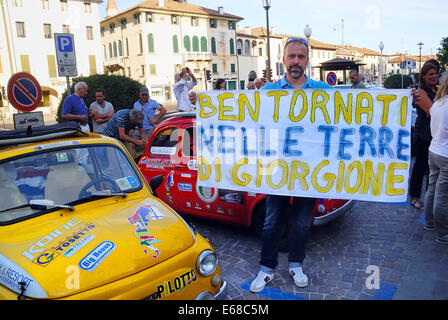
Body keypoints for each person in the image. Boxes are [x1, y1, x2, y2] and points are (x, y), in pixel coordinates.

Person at [249, 37, 332, 293]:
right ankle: (267, 268)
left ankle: (296, 263)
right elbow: (244, 115)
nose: (296, 61)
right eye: (292, 56)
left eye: (301, 57)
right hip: (278, 169)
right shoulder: (268, 92)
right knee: (272, 221)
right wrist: (202, 103)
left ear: (307, 60)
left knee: (301, 222)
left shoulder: (322, 90)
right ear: (283, 60)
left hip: (308, 170)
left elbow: (356, 106)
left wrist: (404, 99)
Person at [409, 62, 440, 211]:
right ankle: (415, 198)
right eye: (430, 74)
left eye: (436, 73)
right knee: (421, 168)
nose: (434, 76)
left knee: (432, 170)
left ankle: (430, 197)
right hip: (423, 136)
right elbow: (432, 112)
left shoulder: (438, 89)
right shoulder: (420, 92)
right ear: (424, 76)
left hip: (434, 135)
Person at [424, 71, 448, 244]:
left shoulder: (437, 104)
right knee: (442, 195)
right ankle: (443, 233)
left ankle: (430, 223)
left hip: (434, 150)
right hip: (445, 154)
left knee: (432, 189)